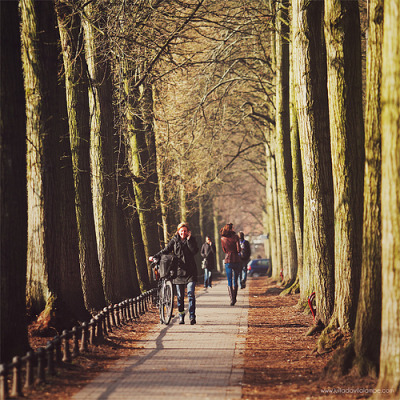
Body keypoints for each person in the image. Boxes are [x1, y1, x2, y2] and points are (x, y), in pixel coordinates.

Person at [149, 222, 199, 325]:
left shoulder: (192, 240)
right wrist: (155, 256)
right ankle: (181, 316)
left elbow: (194, 251)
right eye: (181, 231)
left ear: (188, 232)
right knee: (180, 297)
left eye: (185, 231)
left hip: (191, 272)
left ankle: (192, 316)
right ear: (178, 231)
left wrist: (189, 240)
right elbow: (166, 250)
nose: (183, 233)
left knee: (190, 294)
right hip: (179, 272)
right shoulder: (174, 240)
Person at [220, 223, 241, 306]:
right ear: (231, 229)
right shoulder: (236, 237)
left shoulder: (223, 238)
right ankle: (235, 298)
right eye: (233, 228)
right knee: (235, 280)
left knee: (229, 280)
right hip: (236, 259)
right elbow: (238, 250)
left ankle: (231, 299)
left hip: (228, 260)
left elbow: (224, 250)